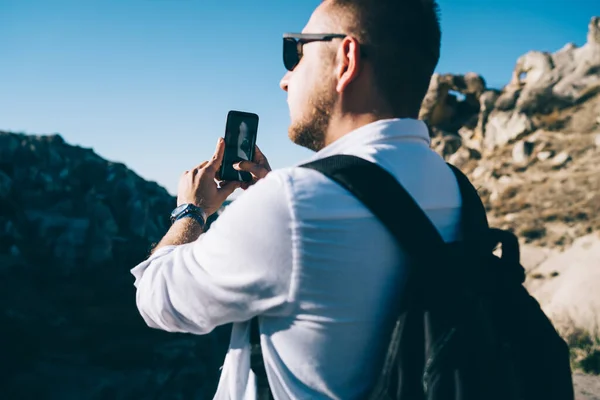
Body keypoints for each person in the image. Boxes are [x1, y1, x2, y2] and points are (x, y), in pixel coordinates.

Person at [131, 0, 460, 399]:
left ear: (346, 59)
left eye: (297, 52)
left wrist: (192, 211)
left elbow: (155, 299)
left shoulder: (291, 205)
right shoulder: (455, 189)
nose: (285, 80)